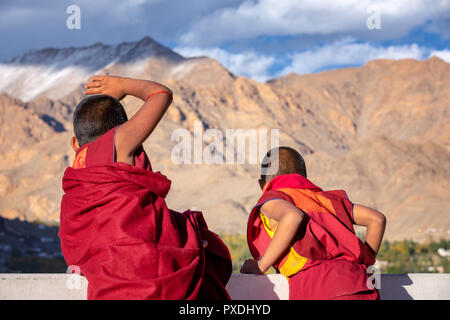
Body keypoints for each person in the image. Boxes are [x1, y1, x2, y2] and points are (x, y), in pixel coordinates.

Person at [59, 76, 232, 300]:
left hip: (108, 284)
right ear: (123, 129)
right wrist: (123, 86)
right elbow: (161, 94)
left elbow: (78, 243)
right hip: (142, 275)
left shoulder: (75, 184)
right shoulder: (117, 142)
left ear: (75, 144)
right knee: (205, 244)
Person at [241, 146, 386, 300]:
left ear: (262, 185)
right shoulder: (327, 200)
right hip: (360, 284)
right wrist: (365, 265)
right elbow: (377, 219)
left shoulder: (273, 199)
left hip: (317, 287)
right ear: (304, 177)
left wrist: (260, 266)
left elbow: (293, 216)